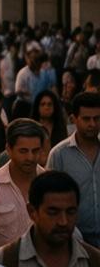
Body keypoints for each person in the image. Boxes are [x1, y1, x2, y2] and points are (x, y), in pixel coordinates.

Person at [0, 119, 46, 256]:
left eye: (35, 151)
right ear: (9, 149)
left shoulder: (50, 184)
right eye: (23, 151)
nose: (30, 157)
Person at [48, 91, 100, 246]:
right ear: (74, 119)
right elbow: (49, 198)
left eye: (97, 118)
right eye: (86, 119)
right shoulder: (59, 155)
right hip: (73, 240)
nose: (92, 124)